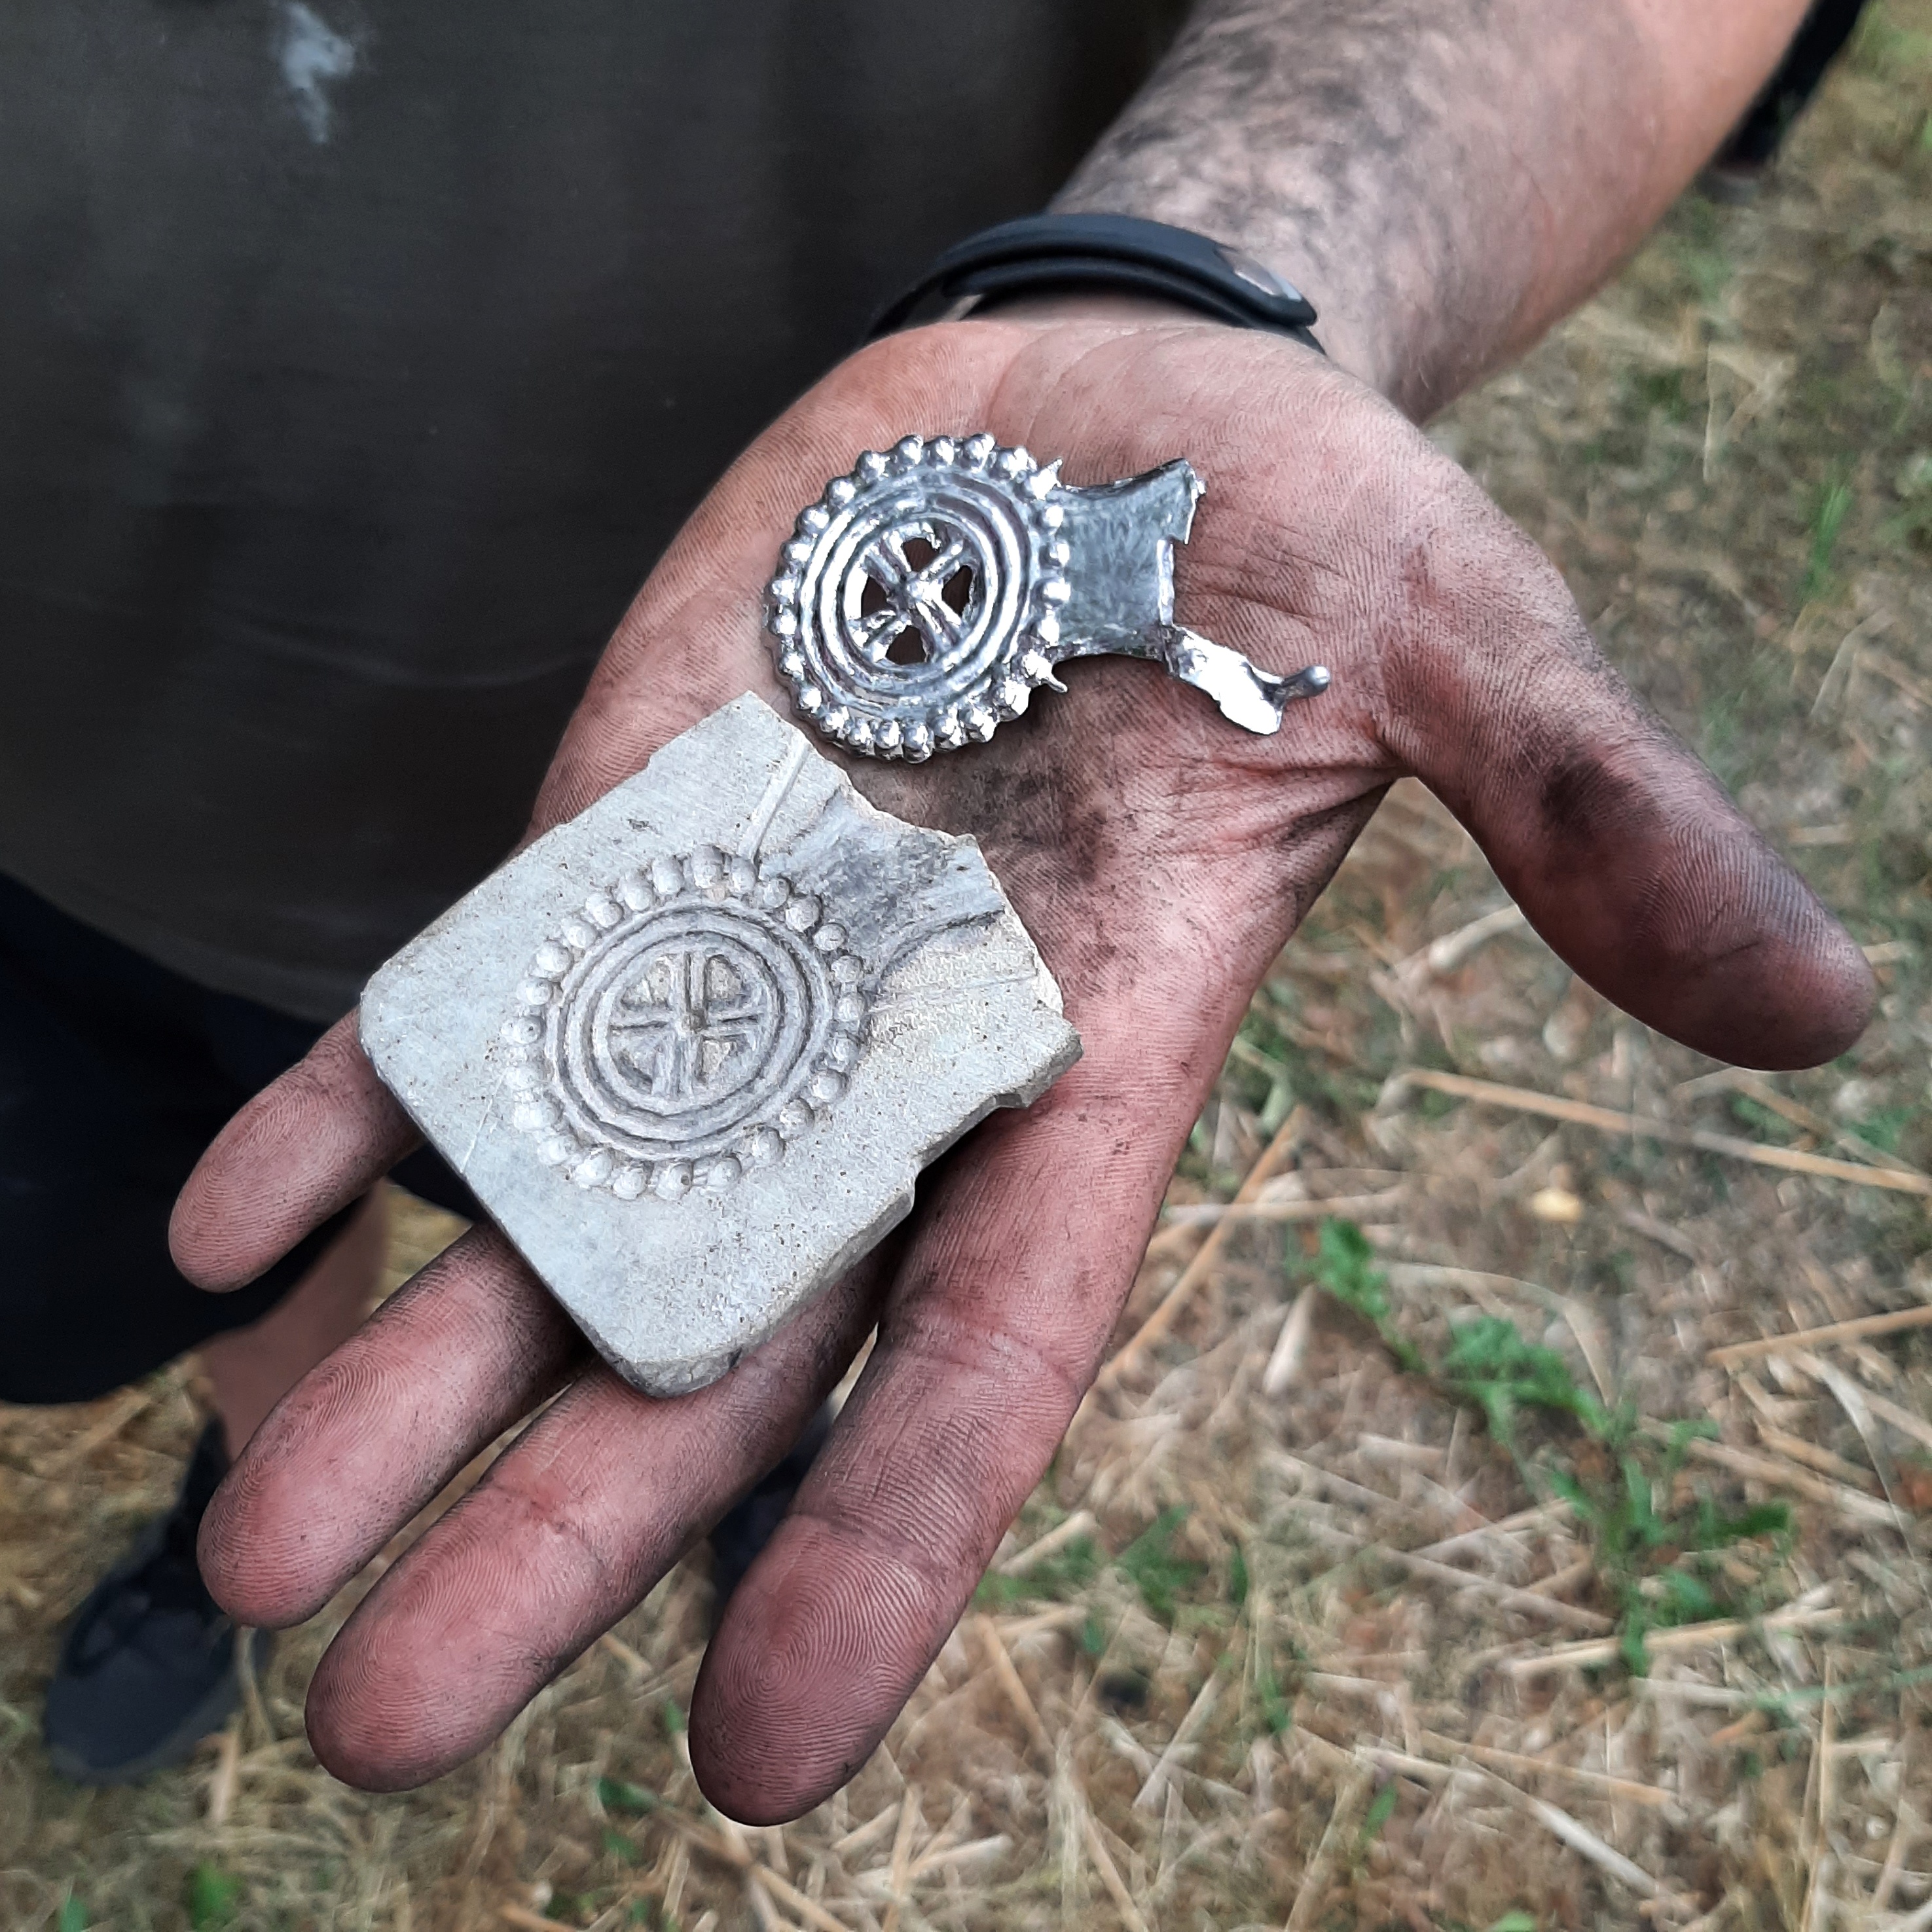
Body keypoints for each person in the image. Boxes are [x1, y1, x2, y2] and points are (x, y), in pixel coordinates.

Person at [4, 0, 1876, 1815]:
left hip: (743, 715)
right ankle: (228, 1480)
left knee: (751, 1275)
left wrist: (1174, 272)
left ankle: (759, 1459)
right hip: (66, 776)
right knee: (248, 1236)